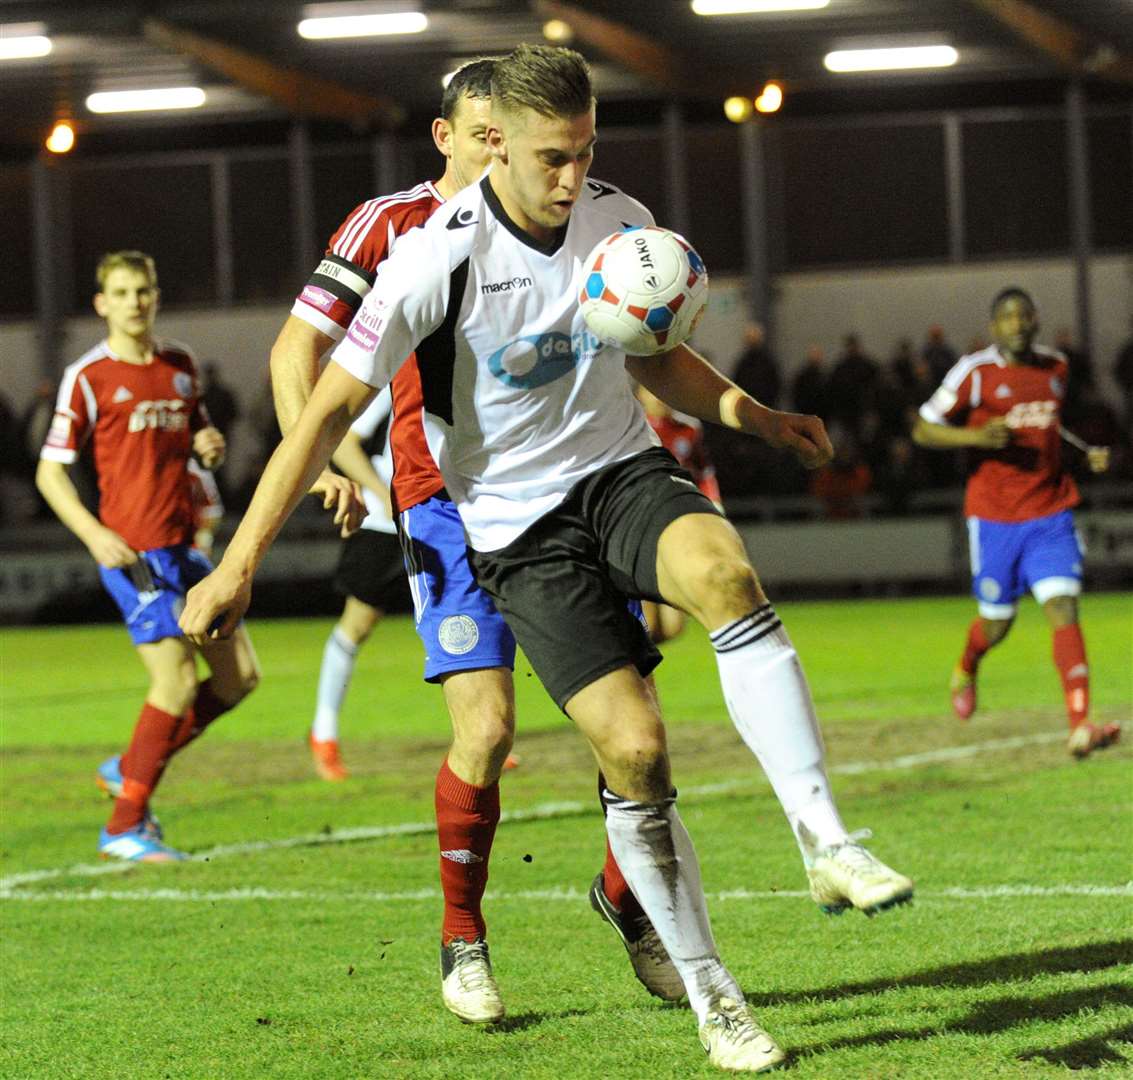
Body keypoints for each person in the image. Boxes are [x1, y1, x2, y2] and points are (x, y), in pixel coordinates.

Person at [183, 46, 913, 1072]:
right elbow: (319, 416)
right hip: (511, 526)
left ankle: (823, 837)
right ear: (494, 151)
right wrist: (238, 561)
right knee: (634, 748)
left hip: (618, 472)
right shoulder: (433, 256)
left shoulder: (617, 219)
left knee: (725, 574)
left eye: (580, 153)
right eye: (546, 159)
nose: (568, 178)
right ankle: (713, 998)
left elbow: (651, 350)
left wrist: (755, 413)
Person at [270, 59, 535, 1018]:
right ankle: (462, 940)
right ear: (444, 135)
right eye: (481, 129)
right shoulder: (389, 225)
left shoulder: (559, 211)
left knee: (628, 736)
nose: (498, 145)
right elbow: (293, 349)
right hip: (436, 503)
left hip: (558, 496)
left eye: (511, 128)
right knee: (487, 727)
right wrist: (330, 466)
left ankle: (634, 909)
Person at [35, 250, 263, 862]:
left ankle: (130, 765)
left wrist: (208, 448)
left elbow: (200, 441)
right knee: (177, 680)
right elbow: (50, 472)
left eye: (145, 290)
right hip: (132, 554)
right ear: (102, 303)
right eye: (123, 291)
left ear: (155, 297)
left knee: (240, 679)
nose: (136, 301)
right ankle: (124, 824)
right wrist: (93, 534)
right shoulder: (89, 377)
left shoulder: (180, 366)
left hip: (185, 549)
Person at [912, 287, 1119, 759]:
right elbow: (923, 427)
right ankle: (967, 666)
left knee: (1063, 606)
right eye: (1008, 318)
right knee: (997, 624)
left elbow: (1052, 432)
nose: (1018, 324)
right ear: (994, 327)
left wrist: (1089, 457)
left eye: (1026, 316)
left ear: (1037, 321)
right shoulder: (976, 373)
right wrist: (973, 436)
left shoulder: (1056, 369)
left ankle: (1080, 722)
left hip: (1050, 511)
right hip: (995, 519)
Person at [306, 387, 415, 781]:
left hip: (451, 521)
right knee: (357, 625)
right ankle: (324, 733)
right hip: (387, 525)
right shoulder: (399, 376)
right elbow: (344, 445)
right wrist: (384, 494)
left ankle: (478, 735)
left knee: (461, 624)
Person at [635, 383, 721, 642]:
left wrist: (713, 504)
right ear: (640, 395)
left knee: (673, 628)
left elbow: (703, 471)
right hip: (638, 526)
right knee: (647, 625)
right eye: (652, 391)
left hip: (675, 522)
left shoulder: (689, 429)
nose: (660, 397)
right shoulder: (632, 429)